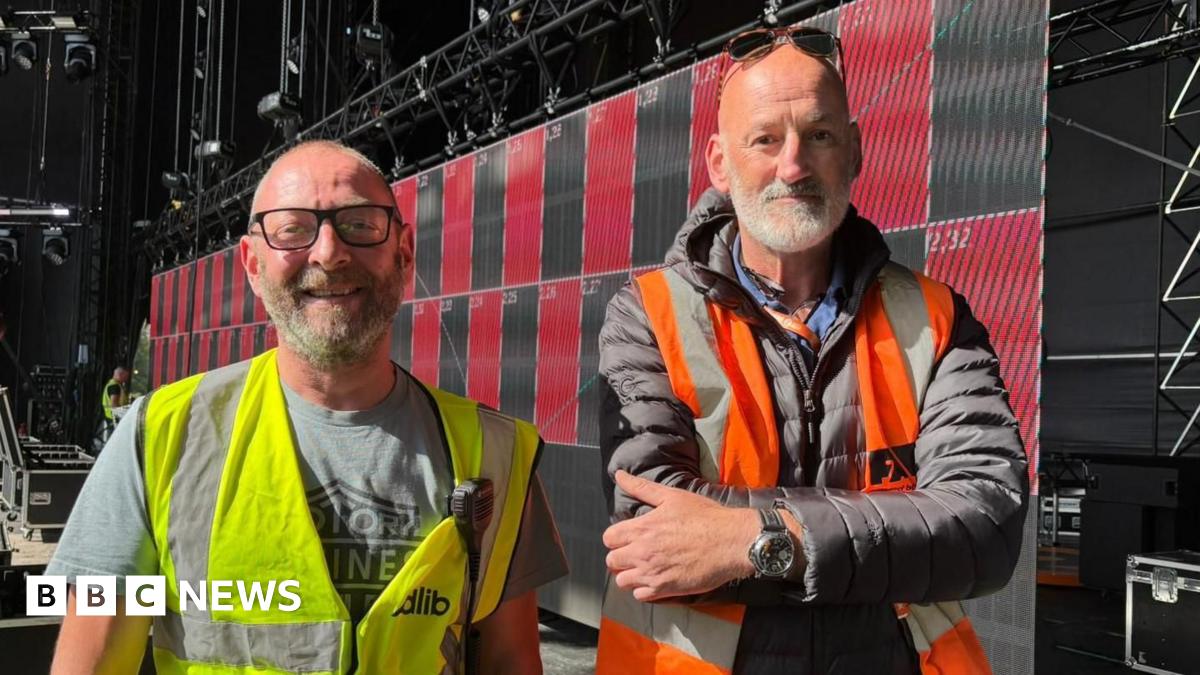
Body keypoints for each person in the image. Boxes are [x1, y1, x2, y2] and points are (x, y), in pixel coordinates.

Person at [595, 27, 1029, 674]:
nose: (793, 165)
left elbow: (984, 527)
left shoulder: (936, 316)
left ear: (854, 150)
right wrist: (895, 532)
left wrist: (760, 539)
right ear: (719, 162)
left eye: (819, 135)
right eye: (765, 138)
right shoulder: (648, 315)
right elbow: (654, 530)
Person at [47, 140, 567, 674]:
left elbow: (509, 660)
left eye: (360, 224)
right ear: (252, 263)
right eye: (293, 229)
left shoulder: (496, 455)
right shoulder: (157, 437)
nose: (328, 253)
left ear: (404, 253)